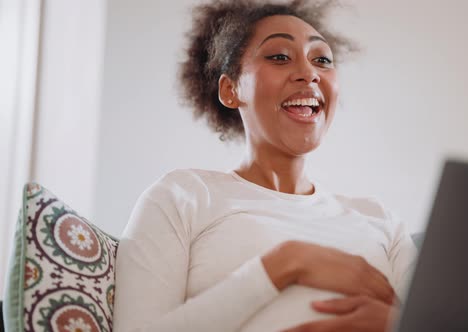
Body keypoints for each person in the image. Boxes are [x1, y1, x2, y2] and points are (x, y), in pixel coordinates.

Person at [112, 1, 417, 331]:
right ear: (231, 90)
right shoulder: (181, 197)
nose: (310, 73)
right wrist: (286, 264)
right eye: (280, 57)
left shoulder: (381, 221)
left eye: (322, 60)